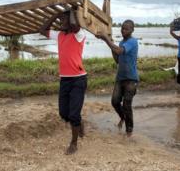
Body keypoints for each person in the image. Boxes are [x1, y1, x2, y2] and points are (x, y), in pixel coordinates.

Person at [39, 9, 87, 155]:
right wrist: (56, 15)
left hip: (79, 79)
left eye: (64, 20)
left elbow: (74, 24)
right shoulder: (59, 35)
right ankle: (79, 122)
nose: (61, 23)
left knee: (73, 115)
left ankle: (73, 143)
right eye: (60, 21)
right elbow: (42, 30)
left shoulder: (79, 35)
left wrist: (71, 11)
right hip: (65, 79)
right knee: (63, 113)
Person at [95, 20, 138, 137]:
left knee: (127, 104)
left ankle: (129, 130)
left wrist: (106, 39)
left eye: (126, 29)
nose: (123, 31)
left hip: (131, 79)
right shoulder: (122, 42)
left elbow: (119, 51)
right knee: (115, 102)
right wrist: (111, 45)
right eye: (122, 28)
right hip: (120, 78)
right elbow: (118, 59)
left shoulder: (133, 42)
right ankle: (123, 118)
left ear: (132, 30)